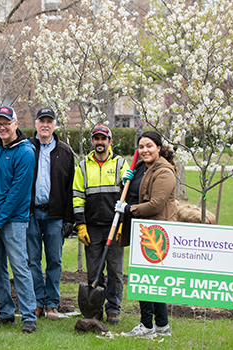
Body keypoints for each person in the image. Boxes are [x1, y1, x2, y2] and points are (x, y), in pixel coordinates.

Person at [0, 106, 38, 333]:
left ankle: (29, 315)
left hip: (13, 220)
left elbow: (17, 193)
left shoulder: (25, 152)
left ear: (15, 124)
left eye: (6, 122)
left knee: (20, 266)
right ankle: (6, 312)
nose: (2, 127)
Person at [119, 131, 176, 337]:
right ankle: (161, 325)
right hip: (143, 229)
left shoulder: (164, 172)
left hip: (156, 231)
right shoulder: (141, 167)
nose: (145, 150)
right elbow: (132, 193)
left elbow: (155, 205)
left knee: (148, 279)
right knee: (152, 280)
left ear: (159, 148)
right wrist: (123, 182)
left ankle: (146, 325)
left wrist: (128, 209)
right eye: (141, 147)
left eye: (149, 146)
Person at [72, 125, 129, 324]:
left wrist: (123, 223)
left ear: (110, 142)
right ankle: (95, 309)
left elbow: (127, 195)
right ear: (92, 142)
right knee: (94, 271)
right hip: (93, 227)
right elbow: (78, 197)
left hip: (115, 226)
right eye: (96, 139)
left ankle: (113, 309)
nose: (99, 142)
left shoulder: (121, 164)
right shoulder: (83, 166)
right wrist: (81, 225)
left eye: (103, 139)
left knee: (115, 271)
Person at [25, 108, 76, 321]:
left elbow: (71, 186)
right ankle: (37, 301)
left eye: (49, 121)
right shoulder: (26, 148)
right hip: (30, 214)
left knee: (54, 260)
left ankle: (52, 303)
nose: (45, 125)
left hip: (55, 215)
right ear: (36, 124)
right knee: (32, 261)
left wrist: (69, 219)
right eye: (41, 121)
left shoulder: (65, 151)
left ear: (55, 125)